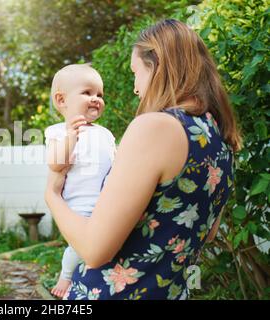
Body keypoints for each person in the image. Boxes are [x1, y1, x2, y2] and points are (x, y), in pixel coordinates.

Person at [45, 19, 241, 300]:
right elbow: (206, 234)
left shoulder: (156, 127)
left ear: (157, 66)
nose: (136, 88)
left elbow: (93, 249)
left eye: (136, 73)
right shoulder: (221, 139)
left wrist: (52, 195)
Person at [44, 64, 117, 298]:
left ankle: (92, 281)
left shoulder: (105, 134)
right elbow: (55, 163)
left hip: (106, 201)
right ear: (61, 100)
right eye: (87, 92)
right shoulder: (58, 131)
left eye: (100, 94)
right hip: (79, 205)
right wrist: (71, 137)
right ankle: (66, 275)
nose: (96, 98)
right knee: (79, 245)